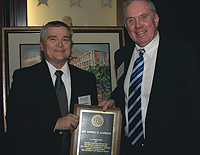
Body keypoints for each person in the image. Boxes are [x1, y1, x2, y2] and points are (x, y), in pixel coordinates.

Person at [99, 0, 200, 154]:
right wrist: (113, 99)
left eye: (143, 17)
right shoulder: (121, 56)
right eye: (131, 20)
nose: (137, 25)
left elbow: (194, 111)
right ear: (126, 27)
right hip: (127, 148)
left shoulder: (184, 55)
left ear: (156, 20)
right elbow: (124, 89)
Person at [7, 21, 98, 155]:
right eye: (53, 39)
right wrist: (55, 124)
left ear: (70, 45)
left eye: (65, 39)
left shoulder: (86, 79)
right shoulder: (24, 78)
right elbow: (14, 120)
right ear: (42, 45)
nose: (60, 45)